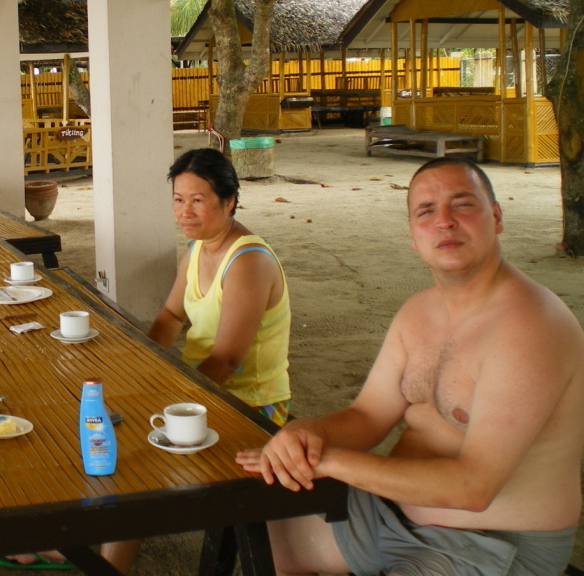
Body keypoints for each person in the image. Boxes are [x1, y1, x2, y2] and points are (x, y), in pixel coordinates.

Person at [237, 157, 584, 576]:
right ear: (412, 236)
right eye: (425, 211)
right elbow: (367, 416)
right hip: (390, 518)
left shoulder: (531, 325)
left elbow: (475, 487)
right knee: (261, 511)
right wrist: (307, 432)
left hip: (488, 543)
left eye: (463, 205)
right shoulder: (418, 313)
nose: (444, 221)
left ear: (496, 217)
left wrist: (327, 460)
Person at [102, 147, 293, 573]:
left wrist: (165, 396)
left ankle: (106, 564)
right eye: (178, 199)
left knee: (134, 469)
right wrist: (141, 363)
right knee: (105, 432)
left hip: (250, 408)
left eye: (197, 200)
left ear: (229, 202)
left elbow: (225, 361)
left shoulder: (248, 261)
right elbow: (171, 316)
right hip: (203, 391)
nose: (185, 211)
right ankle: (84, 548)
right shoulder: (199, 248)